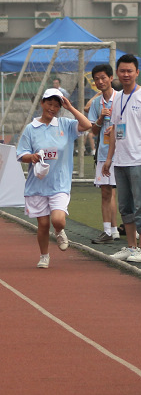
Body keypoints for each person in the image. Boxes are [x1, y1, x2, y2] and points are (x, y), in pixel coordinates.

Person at [16, 88, 91, 268]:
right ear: (42, 103)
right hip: (38, 184)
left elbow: (87, 125)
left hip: (60, 183)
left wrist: (70, 107)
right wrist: (32, 157)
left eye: (56, 105)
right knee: (42, 225)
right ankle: (44, 256)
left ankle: (59, 231)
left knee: (58, 220)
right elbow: (21, 154)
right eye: (49, 104)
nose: (52, 108)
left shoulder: (65, 124)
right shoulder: (31, 129)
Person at [102, 54, 141, 263]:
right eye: (122, 71)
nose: (126, 74)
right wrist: (109, 158)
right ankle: (130, 246)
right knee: (125, 206)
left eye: (130, 71)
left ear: (137, 72)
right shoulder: (117, 97)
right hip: (121, 160)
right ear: (117, 73)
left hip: (139, 160)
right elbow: (116, 130)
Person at [88, 64, 120, 244]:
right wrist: (101, 118)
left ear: (110, 78)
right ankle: (109, 230)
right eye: (97, 79)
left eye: (103, 78)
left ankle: (128, 230)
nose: (100, 82)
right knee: (106, 192)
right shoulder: (95, 103)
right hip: (103, 153)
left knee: (122, 192)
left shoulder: (120, 98)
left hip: (122, 153)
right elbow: (93, 131)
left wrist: (115, 127)